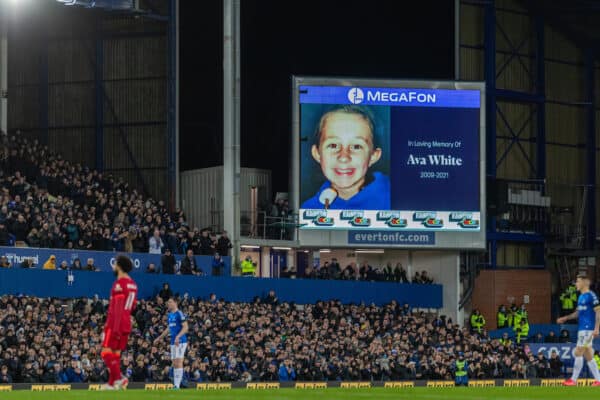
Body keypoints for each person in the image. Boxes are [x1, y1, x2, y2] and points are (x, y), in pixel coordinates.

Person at [301, 106, 390, 210]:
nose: (344, 157)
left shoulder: (394, 198)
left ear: (373, 156)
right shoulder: (309, 208)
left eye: (356, 146)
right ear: (317, 154)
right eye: (333, 145)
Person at [101, 255, 138, 390]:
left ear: (119, 266)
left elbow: (117, 305)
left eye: (115, 264)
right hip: (126, 321)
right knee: (116, 354)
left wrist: (113, 327)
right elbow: (133, 306)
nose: (113, 266)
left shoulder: (119, 284)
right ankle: (112, 384)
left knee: (105, 352)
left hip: (116, 322)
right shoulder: (133, 284)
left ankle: (119, 378)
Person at [556, 274, 600, 386]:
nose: (576, 283)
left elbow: (598, 312)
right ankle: (598, 380)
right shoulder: (580, 297)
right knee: (588, 354)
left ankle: (573, 380)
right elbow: (578, 313)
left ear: (585, 283)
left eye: (578, 281)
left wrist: (596, 328)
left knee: (578, 352)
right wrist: (565, 318)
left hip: (587, 328)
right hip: (581, 329)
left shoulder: (591, 295)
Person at [153, 298, 188, 390]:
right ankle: (176, 385)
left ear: (175, 303)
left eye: (170, 302)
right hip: (173, 341)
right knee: (175, 363)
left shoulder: (179, 313)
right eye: (168, 302)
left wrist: (178, 336)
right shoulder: (170, 315)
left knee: (178, 362)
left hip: (180, 341)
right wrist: (159, 338)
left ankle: (177, 385)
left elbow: (186, 327)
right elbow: (169, 328)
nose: (168, 303)